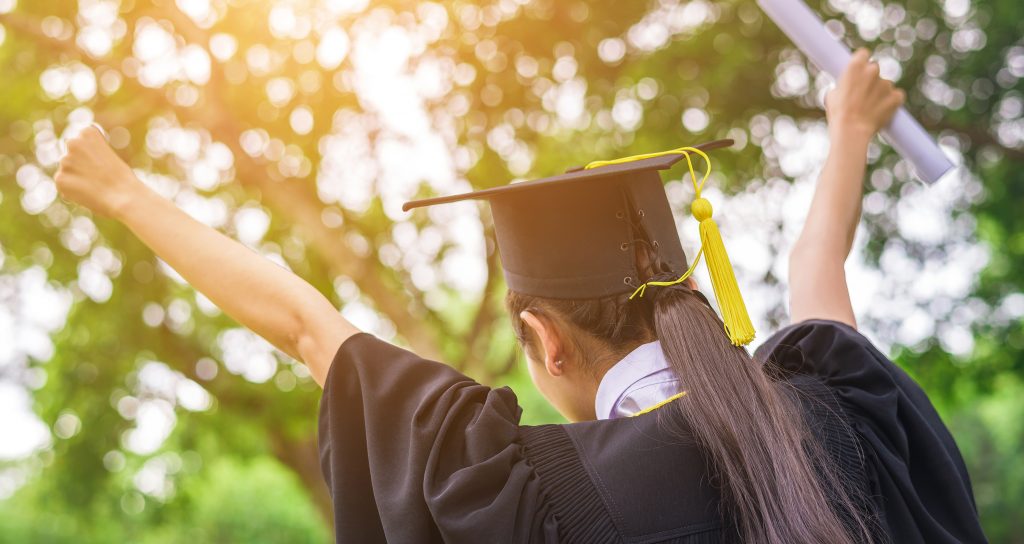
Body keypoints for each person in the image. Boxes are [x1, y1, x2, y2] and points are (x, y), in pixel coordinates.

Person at [55, 49, 986, 543]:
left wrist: (125, 194)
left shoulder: (527, 495)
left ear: (545, 339)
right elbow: (819, 287)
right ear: (688, 290)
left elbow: (306, 325)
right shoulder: (840, 409)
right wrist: (849, 131)